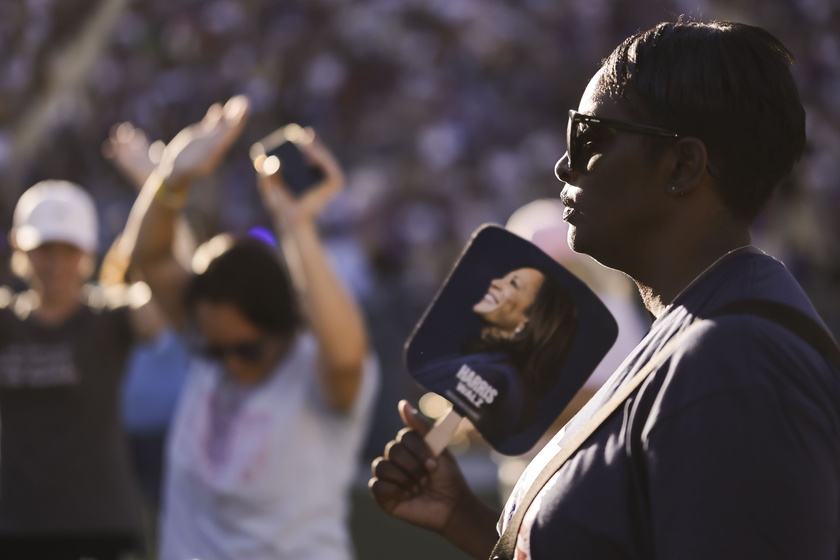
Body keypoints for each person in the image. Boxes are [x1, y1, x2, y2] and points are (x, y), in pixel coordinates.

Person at [369, 20, 840, 560]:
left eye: (589, 137)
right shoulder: (699, 328)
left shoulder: (736, 359)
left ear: (683, 165)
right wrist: (470, 523)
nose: (564, 164)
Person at [122, 96, 379, 560]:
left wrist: (297, 222)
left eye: (248, 349)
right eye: (215, 352)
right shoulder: (212, 340)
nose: (230, 364)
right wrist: (173, 178)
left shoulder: (313, 371)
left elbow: (346, 359)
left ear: (285, 327)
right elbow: (151, 260)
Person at [0, 179, 159, 559]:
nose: (55, 265)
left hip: (99, 528)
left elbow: (160, 301)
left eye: (67, 250)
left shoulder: (111, 317)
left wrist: (157, 185)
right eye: (43, 250)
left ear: (87, 252)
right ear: (19, 248)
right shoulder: (5, 321)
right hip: (16, 527)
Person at [412, 266, 577, 446]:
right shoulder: (490, 364)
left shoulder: (495, 375)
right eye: (504, 278)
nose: (495, 282)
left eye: (513, 283)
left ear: (528, 319)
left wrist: (429, 447)